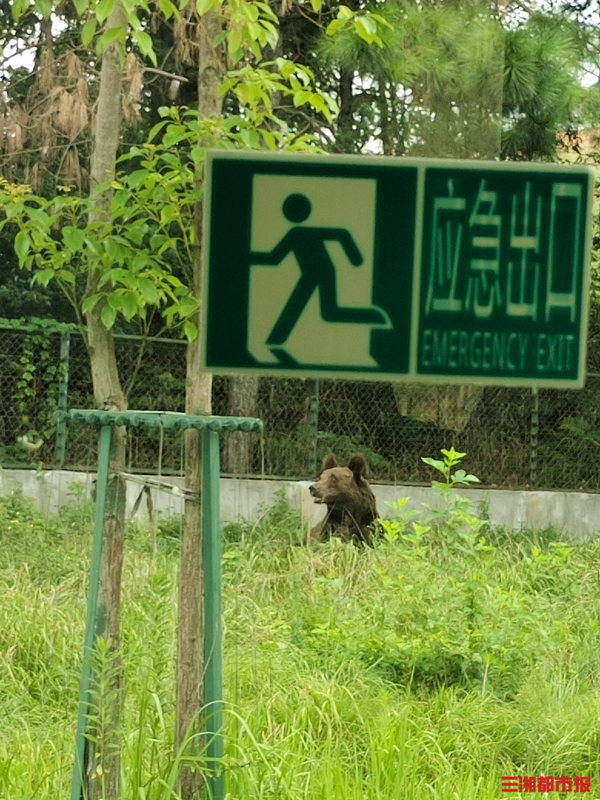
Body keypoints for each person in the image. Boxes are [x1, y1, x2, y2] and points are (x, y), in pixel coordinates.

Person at [250, 193, 389, 346]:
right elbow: (274, 258)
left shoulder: (297, 233)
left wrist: (355, 258)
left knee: (324, 311)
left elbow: (340, 234)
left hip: (322, 273)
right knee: (330, 313)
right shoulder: (296, 234)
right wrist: (355, 258)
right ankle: (374, 317)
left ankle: (276, 339)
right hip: (314, 273)